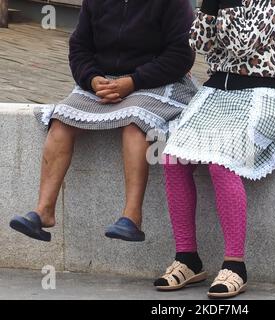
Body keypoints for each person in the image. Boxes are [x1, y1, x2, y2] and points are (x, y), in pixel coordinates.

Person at [9, 0, 197, 242]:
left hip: (156, 82)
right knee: (62, 119)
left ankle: (131, 218)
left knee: (135, 122)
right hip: (103, 84)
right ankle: (43, 211)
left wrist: (133, 81)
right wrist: (92, 78)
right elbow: (79, 47)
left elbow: (181, 54)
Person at [154, 0, 275, 298]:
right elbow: (200, 42)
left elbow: (242, 46)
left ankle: (235, 265)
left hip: (268, 92)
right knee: (172, 157)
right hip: (218, 92)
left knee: (222, 160)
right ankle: (188, 259)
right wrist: (210, 5)